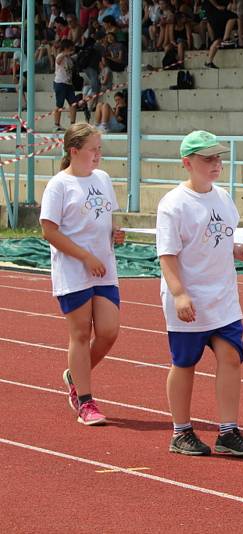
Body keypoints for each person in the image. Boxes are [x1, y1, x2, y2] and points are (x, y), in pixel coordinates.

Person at [156, 130, 243, 457]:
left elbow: (219, 239)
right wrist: (179, 294)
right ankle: (181, 431)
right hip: (189, 298)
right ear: (188, 163)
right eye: (207, 158)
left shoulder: (223, 197)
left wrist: (236, 250)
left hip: (224, 297)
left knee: (231, 357)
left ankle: (228, 431)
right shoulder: (173, 204)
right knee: (184, 362)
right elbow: (167, 255)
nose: (216, 164)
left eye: (218, 157)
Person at [40, 123, 125, 426]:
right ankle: (85, 400)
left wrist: (115, 233)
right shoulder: (59, 185)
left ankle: (74, 375)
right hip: (74, 269)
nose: (98, 155)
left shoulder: (102, 178)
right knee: (81, 334)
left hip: (104, 267)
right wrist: (85, 256)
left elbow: (105, 219)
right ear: (74, 151)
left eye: (100, 148)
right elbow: (49, 231)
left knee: (109, 331)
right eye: (93, 149)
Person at [52, 39, 79, 132]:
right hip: (60, 83)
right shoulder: (61, 56)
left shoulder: (69, 59)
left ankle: (73, 124)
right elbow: (58, 61)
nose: (72, 50)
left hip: (69, 84)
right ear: (66, 48)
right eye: (70, 48)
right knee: (59, 104)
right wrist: (65, 53)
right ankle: (56, 124)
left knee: (73, 103)